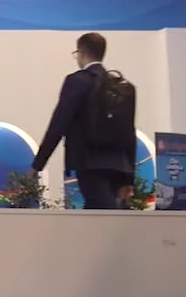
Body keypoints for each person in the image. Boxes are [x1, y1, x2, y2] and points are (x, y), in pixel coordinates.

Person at [30, 32, 135, 209]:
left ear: (81, 53)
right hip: (119, 165)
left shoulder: (78, 81)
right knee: (108, 214)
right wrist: (129, 178)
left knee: (100, 212)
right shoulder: (121, 87)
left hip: (89, 162)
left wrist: (38, 165)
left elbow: (58, 124)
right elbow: (129, 134)